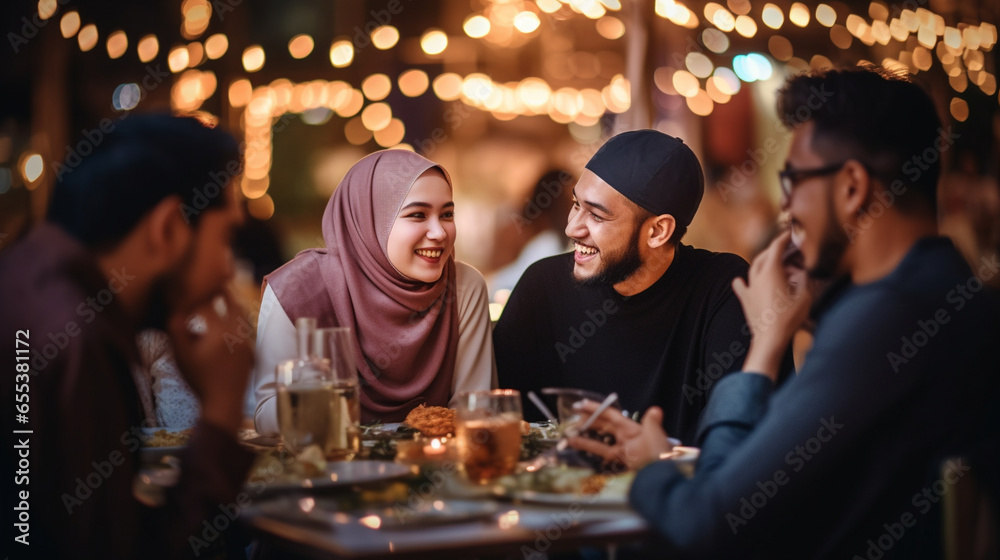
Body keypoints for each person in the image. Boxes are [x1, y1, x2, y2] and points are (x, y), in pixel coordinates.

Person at [569, 67, 1000, 558]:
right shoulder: (947, 289)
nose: (787, 209)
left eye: (793, 181)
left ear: (852, 187)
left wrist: (652, 466)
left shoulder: (885, 321)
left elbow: (710, 524)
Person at [0, 115, 254, 559]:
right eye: (226, 237)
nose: (227, 270)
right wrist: (220, 412)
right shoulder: (75, 338)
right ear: (169, 229)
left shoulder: (29, 280)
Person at [493, 130, 785, 444]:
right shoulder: (542, 286)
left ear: (658, 231)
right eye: (576, 205)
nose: (572, 227)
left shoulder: (723, 291)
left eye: (597, 215)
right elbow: (495, 419)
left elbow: (748, 439)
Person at [253, 150, 495, 431]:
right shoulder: (297, 290)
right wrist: (318, 401)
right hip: (326, 466)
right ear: (370, 220)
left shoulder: (464, 287)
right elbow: (266, 417)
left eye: (447, 214)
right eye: (417, 215)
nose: (439, 233)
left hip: (433, 468)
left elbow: (475, 410)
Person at [488, 169, 574, 296]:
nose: (571, 207)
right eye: (568, 200)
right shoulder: (517, 231)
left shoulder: (561, 237)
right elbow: (499, 276)